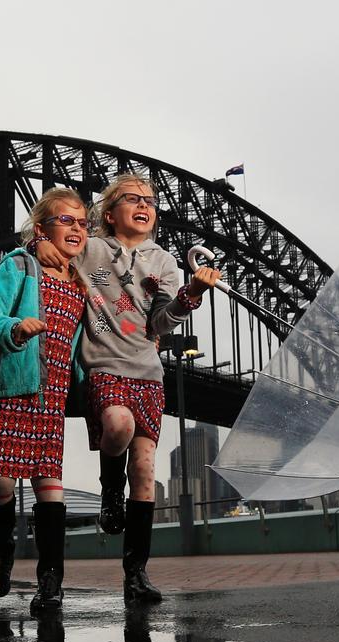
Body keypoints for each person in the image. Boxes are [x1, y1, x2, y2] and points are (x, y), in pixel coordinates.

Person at [34, 174, 220, 603]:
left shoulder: (166, 262)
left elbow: (160, 322)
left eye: (150, 201)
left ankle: (136, 575)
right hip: (103, 365)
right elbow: (56, 254)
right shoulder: (92, 247)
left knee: (145, 472)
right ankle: (108, 488)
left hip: (147, 370)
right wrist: (36, 246)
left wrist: (191, 293)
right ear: (109, 211)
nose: (144, 205)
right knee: (116, 425)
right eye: (132, 199)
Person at [0, 187, 88, 613]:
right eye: (66, 221)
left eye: (83, 223)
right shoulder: (19, 265)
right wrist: (15, 329)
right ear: (41, 229)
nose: (77, 229)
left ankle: (51, 583)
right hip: (11, 387)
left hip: (51, 395)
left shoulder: (80, 281)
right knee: (1, 483)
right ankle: (1, 556)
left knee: (49, 489)